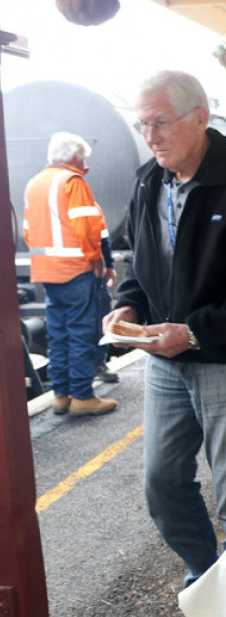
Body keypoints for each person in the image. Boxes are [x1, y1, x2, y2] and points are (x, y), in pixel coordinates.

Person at [104, 71, 226, 617]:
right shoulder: (147, 181)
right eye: (143, 124)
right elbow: (136, 261)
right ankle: (207, 576)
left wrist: (193, 333)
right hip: (162, 360)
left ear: (199, 117)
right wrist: (126, 305)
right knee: (162, 483)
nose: (151, 135)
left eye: (160, 122)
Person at [22, 132, 117, 416]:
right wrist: (96, 260)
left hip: (46, 272)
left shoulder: (35, 183)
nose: (84, 164)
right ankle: (83, 396)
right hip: (76, 271)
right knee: (80, 334)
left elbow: (28, 231)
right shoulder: (72, 182)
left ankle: (61, 394)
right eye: (84, 158)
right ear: (75, 156)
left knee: (59, 334)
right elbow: (87, 227)